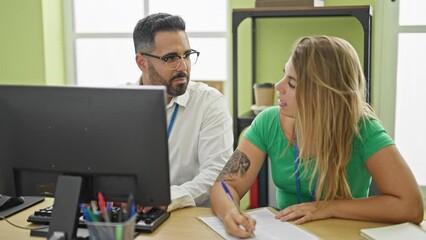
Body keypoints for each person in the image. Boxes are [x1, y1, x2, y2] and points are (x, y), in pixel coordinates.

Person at [210, 35, 424, 238]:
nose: (278, 86)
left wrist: (328, 207)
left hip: (343, 234)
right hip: (286, 233)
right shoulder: (269, 121)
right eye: (284, 74)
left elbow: (411, 206)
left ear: (323, 94)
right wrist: (230, 213)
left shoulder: (364, 129)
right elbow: (226, 184)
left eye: (292, 83)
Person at [133, 13, 233, 212]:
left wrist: (168, 198)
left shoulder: (209, 103)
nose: (183, 66)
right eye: (170, 58)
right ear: (142, 62)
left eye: (186, 55)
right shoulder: (119, 103)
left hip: (188, 218)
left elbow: (216, 173)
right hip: (131, 215)